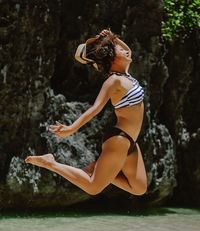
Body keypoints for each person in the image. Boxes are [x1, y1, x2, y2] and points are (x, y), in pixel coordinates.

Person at [25, 29, 147, 196]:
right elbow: (95, 108)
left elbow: (129, 51)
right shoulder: (114, 81)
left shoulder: (127, 75)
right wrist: (72, 128)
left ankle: (100, 168)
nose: (126, 50)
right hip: (119, 139)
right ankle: (51, 163)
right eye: (120, 50)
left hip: (131, 141)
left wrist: (112, 37)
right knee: (93, 187)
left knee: (139, 188)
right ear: (113, 58)